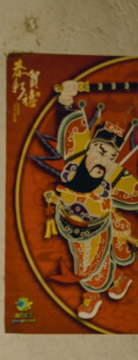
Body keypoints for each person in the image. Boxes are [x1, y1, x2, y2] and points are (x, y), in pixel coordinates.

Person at [43, 80, 138, 321]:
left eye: (110, 155)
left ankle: (92, 294)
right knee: (84, 253)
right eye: (99, 149)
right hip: (68, 219)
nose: (102, 157)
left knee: (89, 260)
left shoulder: (114, 175)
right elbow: (75, 124)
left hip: (96, 225)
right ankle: (118, 279)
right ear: (90, 146)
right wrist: (66, 98)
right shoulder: (77, 156)